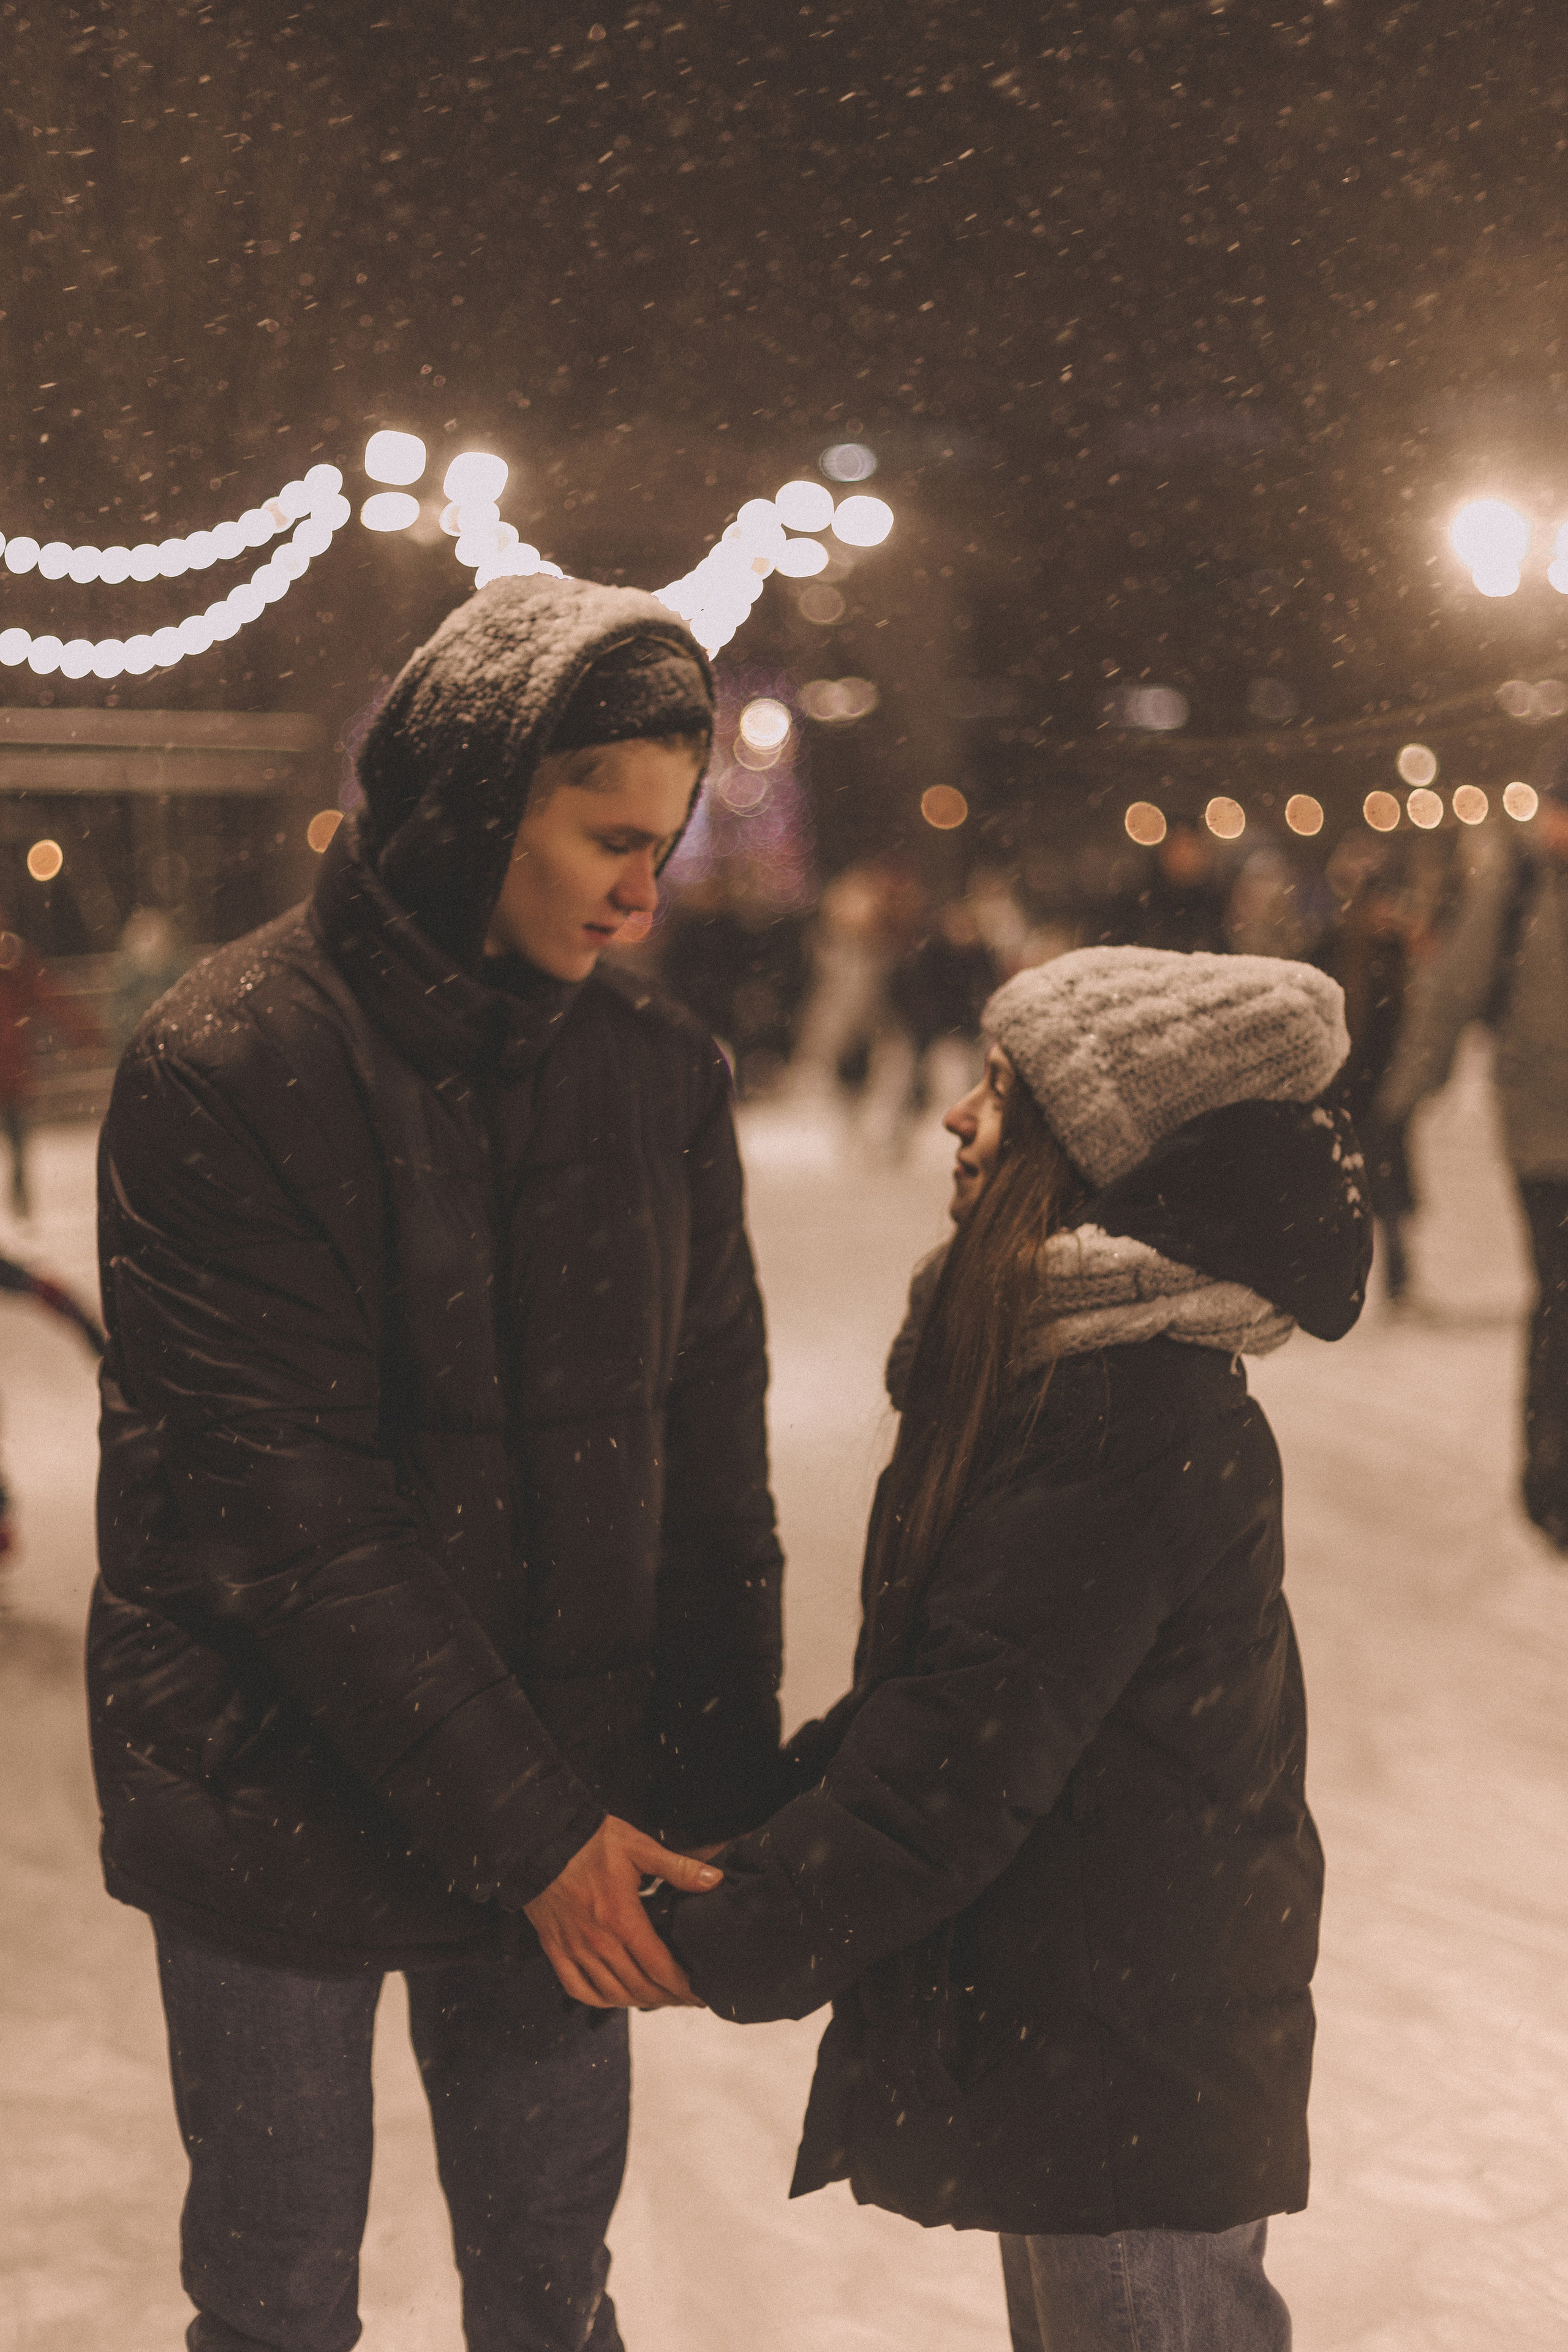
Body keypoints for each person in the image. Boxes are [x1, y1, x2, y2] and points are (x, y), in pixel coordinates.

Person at [88, 576, 786, 2352]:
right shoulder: (231, 1064)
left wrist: (706, 1815)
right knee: (276, 2299)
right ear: (477, 807)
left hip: (560, 1798)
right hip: (272, 1788)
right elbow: (288, 1515)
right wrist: (544, 1826)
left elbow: (711, 1476)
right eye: (608, 838)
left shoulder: (657, 1080)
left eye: (668, 848)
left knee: (552, 2297)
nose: (645, 898)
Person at [647, 946, 1370, 2352]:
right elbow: (937, 1704)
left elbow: (952, 1770)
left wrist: (694, 1935)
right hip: (1107, 2030)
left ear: (1101, 1152)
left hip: (1128, 2058)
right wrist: (721, 1840)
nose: (956, 1120)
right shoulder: (1083, 1376)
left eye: (1000, 1093)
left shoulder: (1121, 1410)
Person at [1375, 780, 1568, 1547]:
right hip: (1543, 1136)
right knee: (1559, 1292)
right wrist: (1401, 1101)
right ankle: (1550, 1481)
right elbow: (1451, 994)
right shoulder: (1517, 890)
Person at [1317, 864, 1417, 1299]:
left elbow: (1406, 1019)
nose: (1387, 912)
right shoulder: (1340, 948)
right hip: (1348, 1084)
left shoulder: (1395, 951)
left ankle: (1397, 1275)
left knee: (1388, 1188)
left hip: (1387, 1084)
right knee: (1347, 1185)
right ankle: (1344, 1277)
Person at [0, 909, 104, 1219]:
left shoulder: (15, 960)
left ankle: (19, 1196)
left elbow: (52, 1000)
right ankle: (19, 1196)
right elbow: (53, 1000)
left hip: (11, 1066)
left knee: (17, 1136)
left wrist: (86, 1036)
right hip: (12, 1065)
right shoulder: (15, 960)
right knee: (16, 1135)